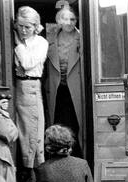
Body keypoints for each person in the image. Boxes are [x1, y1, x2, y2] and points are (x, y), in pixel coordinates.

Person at [13, 6, 48, 182]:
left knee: (31, 130)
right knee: (20, 130)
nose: (23, 30)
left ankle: (32, 174)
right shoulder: (20, 41)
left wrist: (18, 45)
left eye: (27, 27)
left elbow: (26, 64)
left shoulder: (41, 42)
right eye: (20, 26)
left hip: (30, 86)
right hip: (18, 86)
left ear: (36, 26)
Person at [47, 6, 83, 158]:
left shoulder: (82, 37)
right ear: (59, 20)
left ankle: (75, 159)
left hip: (75, 89)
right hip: (57, 89)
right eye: (65, 19)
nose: (69, 22)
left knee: (74, 125)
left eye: (73, 19)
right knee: (57, 123)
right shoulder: (51, 38)